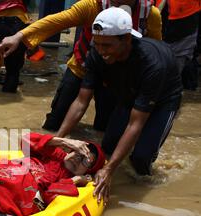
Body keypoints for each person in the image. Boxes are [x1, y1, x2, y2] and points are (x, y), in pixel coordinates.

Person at [54, 7, 182, 204]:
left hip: (163, 99)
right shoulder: (96, 54)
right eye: (97, 44)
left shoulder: (152, 63)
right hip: (129, 92)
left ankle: (147, 181)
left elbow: (135, 124)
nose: (102, 51)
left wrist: (109, 170)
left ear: (127, 40)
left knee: (140, 160)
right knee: (108, 145)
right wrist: (58, 140)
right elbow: (81, 102)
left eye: (107, 45)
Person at [0, 0, 162, 131]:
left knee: (104, 128)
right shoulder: (92, 6)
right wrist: (19, 36)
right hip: (82, 65)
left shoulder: (149, 14)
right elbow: (56, 21)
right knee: (54, 122)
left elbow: (154, 50)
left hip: (116, 76)